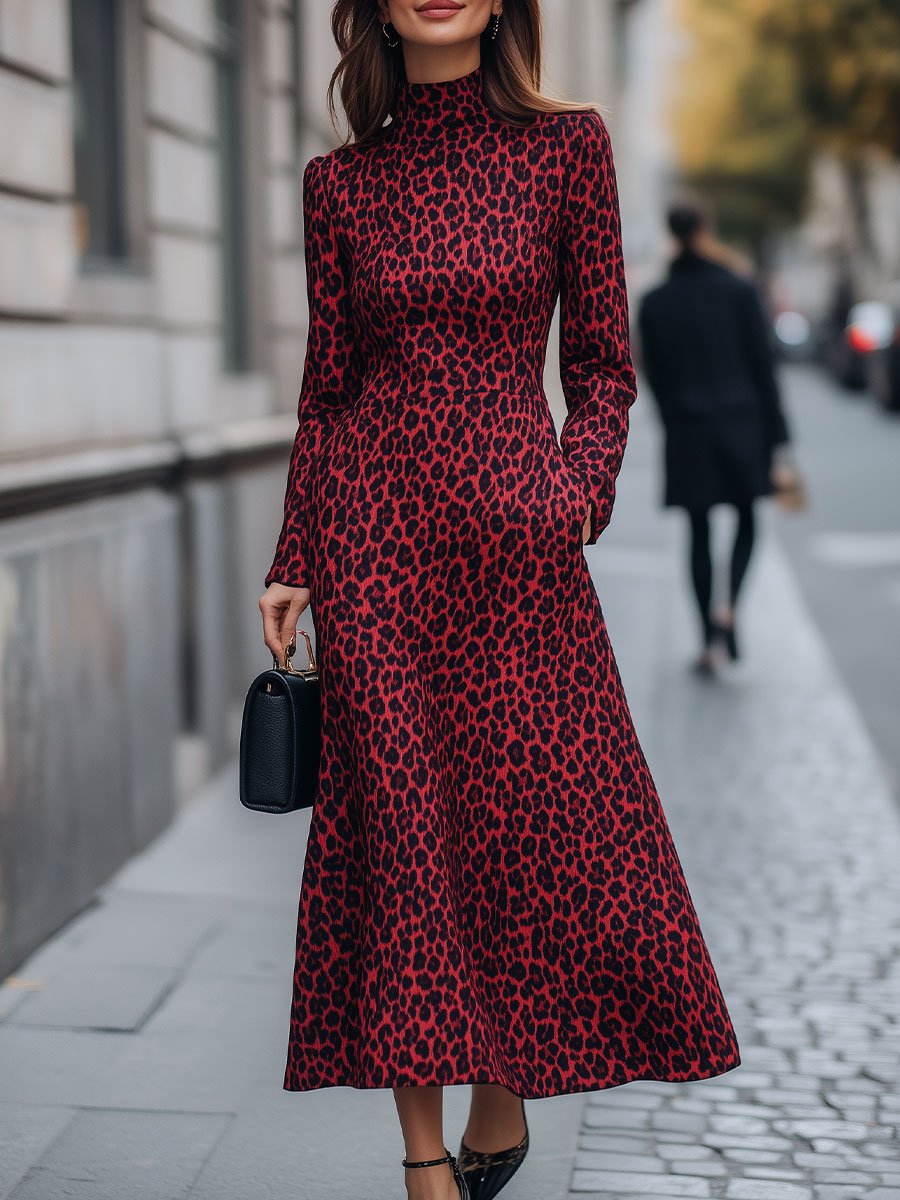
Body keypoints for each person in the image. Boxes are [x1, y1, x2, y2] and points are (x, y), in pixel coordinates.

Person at [258, 5, 741, 1198]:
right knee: (401, 836)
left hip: (516, 551)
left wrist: (576, 490)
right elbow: (327, 391)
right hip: (376, 542)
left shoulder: (566, 149)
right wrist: (295, 553)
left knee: (529, 828)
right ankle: (423, 1165)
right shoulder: (339, 185)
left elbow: (603, 369)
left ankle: (500, 1089)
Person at [638, 202, 793, 672]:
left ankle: (707, 636)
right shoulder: (739, 291)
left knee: (698, 530)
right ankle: (730, 608)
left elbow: (655, 375)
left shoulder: (655, 301)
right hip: (743, 423)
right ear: (705, 229)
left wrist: (671, 419)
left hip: (688, 429)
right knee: (748, 518)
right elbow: (763, 367)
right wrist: (779, 436)